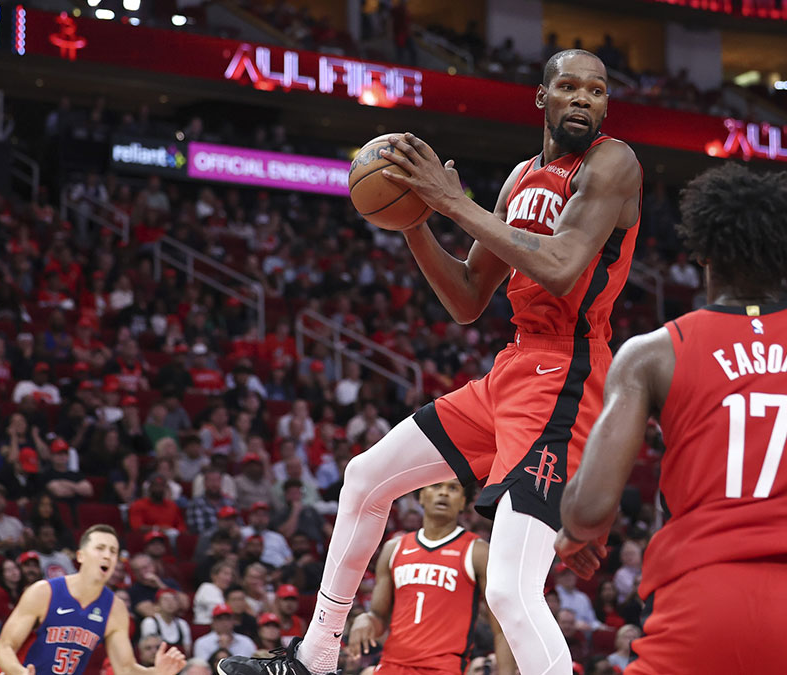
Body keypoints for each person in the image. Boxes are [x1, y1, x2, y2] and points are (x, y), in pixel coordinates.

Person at [220, 47, 641, 675]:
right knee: (364, 478)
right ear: (542, 98)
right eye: (571, 87)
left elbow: (559, 267)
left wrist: (452, 203)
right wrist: (417, 219)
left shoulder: (613, 163)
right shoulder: (521, 178)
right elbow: (469, 297)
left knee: (509, 590)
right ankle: (313, 657)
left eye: (598, 91)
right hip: (513, 368)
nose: (585, 99)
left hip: (568, 375)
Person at [553, 164, 787, 675]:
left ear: (702, 251)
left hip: (700, 601)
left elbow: (589, 508)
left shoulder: (653, 353)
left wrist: (573, 529)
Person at [346, 480, 514, 675]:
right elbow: (378, 616)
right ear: (421, 497)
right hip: (392, 666)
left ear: (463, 502)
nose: (443, 493)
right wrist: (365, 620)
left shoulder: (477, 551)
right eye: (436, 486)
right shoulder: (395, 548)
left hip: (443, 668)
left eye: (453, 488)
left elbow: (501, 630)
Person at [0, 524, 187, 674]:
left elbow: (125, 669)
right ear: (80, 556)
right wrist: (19, 672)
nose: (107, 555)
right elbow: (4, 647)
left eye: (113, 551)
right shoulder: (44, 592)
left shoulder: (115, 608)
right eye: (100, 548)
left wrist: (157, 672)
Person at [140, 589, 193, 656]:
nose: (170, 603)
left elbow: (187, 650)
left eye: (173, 599)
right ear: (157, 605)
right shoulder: (150, 622)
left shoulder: (182, 624)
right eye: (165, 600)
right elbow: (148, 649)